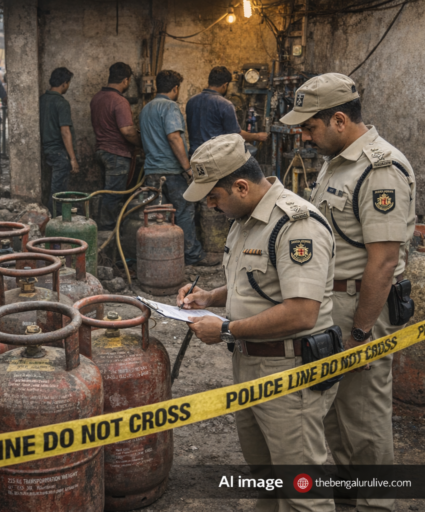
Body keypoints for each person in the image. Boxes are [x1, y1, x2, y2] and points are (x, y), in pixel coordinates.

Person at [177, 134, 337, 512]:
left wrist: (225, 329)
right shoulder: (244, 218)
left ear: (241, 186)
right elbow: (255, 285)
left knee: (302, 489)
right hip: (250, 363)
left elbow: (302, 312)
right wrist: (210, 298)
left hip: (289, 369)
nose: (210, 205)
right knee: (265, 473)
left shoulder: (295, 225)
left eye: (213, 197)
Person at [281, 73, 416, 512]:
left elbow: (384, 261)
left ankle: (377, 503)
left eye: (310, 127)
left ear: (339, 120)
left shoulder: (380, 169)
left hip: (361, 306)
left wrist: (360, 335)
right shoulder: (337, 160)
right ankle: (348, 494)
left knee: (364, 417)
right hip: (330, 304)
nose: (304, 137)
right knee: (334, 411)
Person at [139, 69, 213, 266]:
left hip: (151, 171)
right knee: (184, 211)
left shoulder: (146, 109)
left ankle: (159, 257)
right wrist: (187, 168)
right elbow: (173, 137)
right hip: (171, 171)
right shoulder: (170, 107)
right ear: (175, 88)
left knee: (156, 216)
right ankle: (192, 255)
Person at [90, 62, 141, 231]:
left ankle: (105, 226)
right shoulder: (119, 101)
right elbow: (127, 131)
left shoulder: (97, 98)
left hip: (101, 151)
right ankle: (108, 231)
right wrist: (142, 144)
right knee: (113, 195)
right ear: (126, 80)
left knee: (107, 192)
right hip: (116, 154)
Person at [186, 66, 268, 156]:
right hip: (215, 157)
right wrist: (257, 136)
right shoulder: (225, 104)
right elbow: (236, 135)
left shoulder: (191, 101)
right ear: (225, 85)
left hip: (195, 155)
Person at [40, 67, 78, 213]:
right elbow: (65, 132)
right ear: (64, 83)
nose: (68, 86)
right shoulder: (61, 103)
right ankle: (54, 218)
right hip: (59, 153)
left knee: (55, 189)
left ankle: (53, 214)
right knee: (59, 193)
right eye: (68, 83)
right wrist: (72, 159)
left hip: (47, 150)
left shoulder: (42, 100)